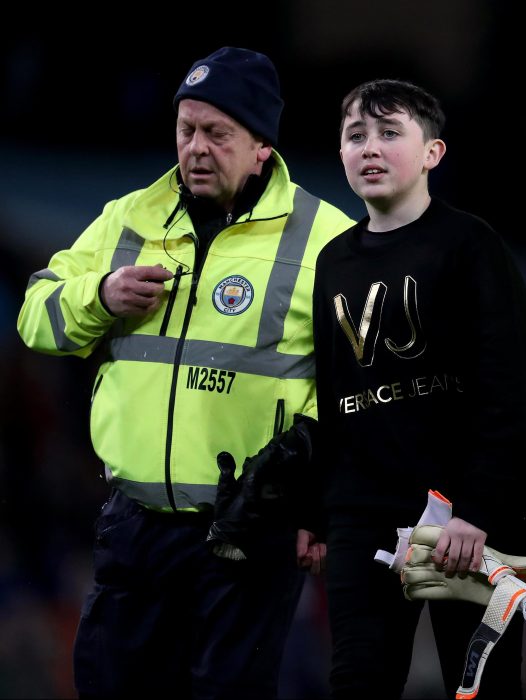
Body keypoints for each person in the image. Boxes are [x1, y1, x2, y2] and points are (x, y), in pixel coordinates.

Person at [16, 46, 354, 699]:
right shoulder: (128, 220)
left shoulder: (327, 239)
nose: (196, 147)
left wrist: (321, 504)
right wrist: (102, 296)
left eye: (217, 133)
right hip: (134, 529)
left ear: (261, 144)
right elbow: (35, 314)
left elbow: (363, 392)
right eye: (186, 129)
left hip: (250, 536)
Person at [302, 78, 526, 698]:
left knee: (479, 689)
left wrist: (479, 511)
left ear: (433, 153)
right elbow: (332, 398)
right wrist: (318, 514)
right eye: (356, 135)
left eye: (390, 132)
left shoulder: (471, 246)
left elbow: (510, 389)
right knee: (357, 681)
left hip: (465, 524)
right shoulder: (332, 262)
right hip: (364, 519)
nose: (370, 148)